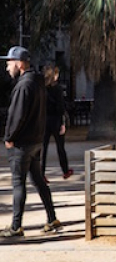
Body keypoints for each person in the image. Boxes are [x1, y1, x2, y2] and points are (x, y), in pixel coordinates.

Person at [2, 46, 61, 237]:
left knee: (19, 183)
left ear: (19, 64)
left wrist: (9, 137)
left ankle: (16, 226)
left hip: (22, 143)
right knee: (38, 181)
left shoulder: (24, 86)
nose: (6, 67)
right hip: (35, 141)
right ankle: (52, 218)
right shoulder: (37, 82)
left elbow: (17, 116)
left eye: (9, 63)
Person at [42, 66, 73, 182]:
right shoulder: (58, 89)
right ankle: (65, 170)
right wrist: (63, 122)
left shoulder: (42, 88)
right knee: (60, 147)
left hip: (45, 119)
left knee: (43, 148)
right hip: (56, 119)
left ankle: (41, 172)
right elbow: (60, 107)